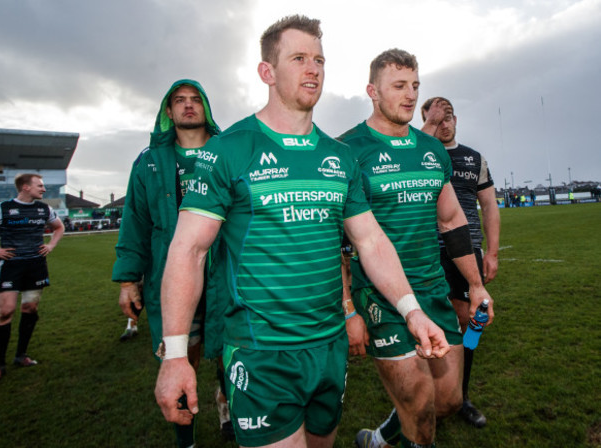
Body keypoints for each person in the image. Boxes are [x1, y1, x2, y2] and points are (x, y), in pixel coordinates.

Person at [154, 16, 450, 448]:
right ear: (267, 72)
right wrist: (177, 354)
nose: (313, 69)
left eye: (319, 60)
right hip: (262, 352)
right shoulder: (228, 150)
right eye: (298, 58)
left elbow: (370, 241)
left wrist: (412, 311)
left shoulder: (340, 156)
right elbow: (188, 251)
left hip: (329, 349)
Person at [338, 49, 495, 448]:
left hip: (432, 288)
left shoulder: (431, 149)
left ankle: (376, 439)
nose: (410, 95)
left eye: (415, 86)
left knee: (448, 400)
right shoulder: (347, 151)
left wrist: (475, 285)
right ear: (373, 91)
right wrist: (349, 306)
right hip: (381, 297)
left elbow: (452, 221)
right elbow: (339, 240)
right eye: (399, 86)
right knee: (421, 408)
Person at [111, 79, 232, 447]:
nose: (189, 106)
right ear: (168, 111)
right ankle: (186, 439)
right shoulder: (149, 162)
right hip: (173, 276)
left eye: (196, 100)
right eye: (180, 101)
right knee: (182, 356)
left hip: (226, 272)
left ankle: (227, 405)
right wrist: (128, 280)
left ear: (207, 108)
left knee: (231, 352)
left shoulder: (227, 152)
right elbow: (135, 223)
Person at [421, 96, 500, 427]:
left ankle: (462, 395)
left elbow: (490, 206)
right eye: (437, 118)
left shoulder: (474, 158)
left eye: (449, 116)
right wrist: (427, 130)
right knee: (430, 326)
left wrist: (492, 252)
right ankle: (425, 397)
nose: (444, 122)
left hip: (468, 254)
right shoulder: (420, 154)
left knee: (472, 324)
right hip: (427, 252)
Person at [0, 173, 64, 382]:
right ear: (25, 187)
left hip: (35, 265)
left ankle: (21, 355)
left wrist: (51, 245)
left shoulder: (44, 209)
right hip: (10, 266)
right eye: (39, 186)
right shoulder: (2, 208)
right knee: (6, 311)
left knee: (30, 308)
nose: (43, 189)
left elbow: (59, 227)